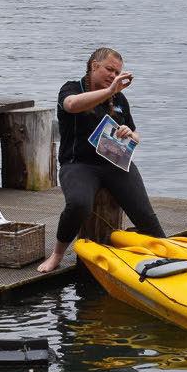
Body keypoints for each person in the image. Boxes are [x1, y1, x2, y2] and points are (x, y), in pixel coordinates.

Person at [38, 47, 166, 273]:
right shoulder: (71, 88)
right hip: (79, 164)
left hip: (115, 162)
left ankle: (169, 254)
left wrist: (129, 133)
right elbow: (72, 105)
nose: (113, 75)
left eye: (117, 72)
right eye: (109, 69)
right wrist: (109, 90)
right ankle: (57, 254)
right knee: (79, 204)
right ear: (94, 66)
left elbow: (136, 134)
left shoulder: (119, 98)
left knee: (145, 215)